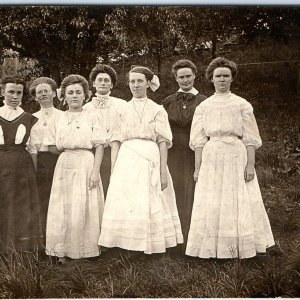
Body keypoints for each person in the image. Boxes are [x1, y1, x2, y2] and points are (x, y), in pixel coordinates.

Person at [186, 57, 275, 259]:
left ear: (232, 78)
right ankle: (211, 248)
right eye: (218, 76)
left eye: (226, 76)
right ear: (211, 79)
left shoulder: (242, 104)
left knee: (237, 198)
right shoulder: (204, 107)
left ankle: (239, 247)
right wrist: (198, 168)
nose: (222, 80)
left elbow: (250, 137)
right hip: (211, 154)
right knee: (213, 199)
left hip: (236, 154)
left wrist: (250, 164)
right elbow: (198, 140)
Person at [98, 66, 183, 254]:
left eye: (140, 81)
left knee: (151, 197)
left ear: (147, 83)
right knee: (128, 200)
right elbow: (115, 141)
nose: (136, 85)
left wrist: (162, 170)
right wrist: (114, 170)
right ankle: (127, 244)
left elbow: (162, 141)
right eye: (132, 81)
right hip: (127, 157)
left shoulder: (157, 109)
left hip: (150, 155)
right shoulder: (121, 109)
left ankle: (153, 242)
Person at [45, 75, 106, 263]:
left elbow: (100, 146)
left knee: (85, 205)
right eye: (70, 93)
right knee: (63, 207)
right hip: (64, 164)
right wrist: (67, 154)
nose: (74, 96)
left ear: (85, 95)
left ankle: (84, 252)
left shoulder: (93, 116)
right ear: (64, 95)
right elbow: (51, 145)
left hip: (87, 162)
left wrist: (95, 171)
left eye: (78, 92)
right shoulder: (59, 118)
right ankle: (62, 252)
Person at [162, 59, 206, 253]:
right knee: (175, 192)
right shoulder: (168, 101)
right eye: (181, 77)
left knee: (194, 193)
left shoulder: (204, 101)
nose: (185, 80)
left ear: (194, 76)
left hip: (195, 152)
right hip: (172, 154)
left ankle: (192, 241)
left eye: (189, 76)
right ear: (176, 78)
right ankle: (175, 241)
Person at [0, 76, 43, 253]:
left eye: (19, 93)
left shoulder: (28, 118)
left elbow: (33, 147)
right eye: (11, 91)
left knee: (19, 204)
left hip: (21, 166)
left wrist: (32, 173)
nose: (15, 96)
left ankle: (17, 250)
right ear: (2, 91)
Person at [83, 64, 127, 196]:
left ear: (112, 85)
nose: (103, 83)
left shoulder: (122, 105)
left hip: (117, 152)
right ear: (94, 83)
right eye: (99, 80)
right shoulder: (86, 108)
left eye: (107, 80)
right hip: (94, 154)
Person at [29, 77, 63, 241]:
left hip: (59, 160)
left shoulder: (63, 116)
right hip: (40, 161)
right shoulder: (31, 118)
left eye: (46, 91)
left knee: (60, 200)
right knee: (43, 199)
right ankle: (44, 241)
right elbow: (32, 147)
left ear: (54, 94)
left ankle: (61, 241)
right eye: (39, 92)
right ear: (35, 97)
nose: (43, 94)